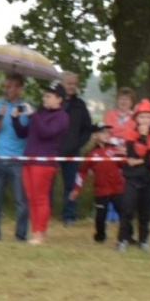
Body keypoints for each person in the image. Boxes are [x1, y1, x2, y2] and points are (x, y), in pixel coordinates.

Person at [13, 83, 69, 245]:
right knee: (31, 197)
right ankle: (35, 231)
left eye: (49, 96)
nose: (44, 98)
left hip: (44, 162)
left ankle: (40, 233)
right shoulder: (40, 114)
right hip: (29, 159)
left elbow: (46, 133)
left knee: (40, 198)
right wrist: (15, 119)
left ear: (59, 99)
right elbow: (23, 133)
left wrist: (32, 116)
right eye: (44, 95)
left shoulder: (61, 116)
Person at [0, 73, 30, 242]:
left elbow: (25, 133)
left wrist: (17, 118)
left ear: (19, 88)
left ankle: (20, 235)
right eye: (5, 86)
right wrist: (1, 117)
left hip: (17, 160)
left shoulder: (26, 108)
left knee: (21, 201)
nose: (7, 90)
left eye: (11, 87)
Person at [116, 99, 150, 252]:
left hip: (149, 179)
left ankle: (144, 240)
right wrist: (142, 139)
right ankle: (122, 239)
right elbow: (133, 153)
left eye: (148, 117)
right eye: (142, 117)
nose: (145, 120)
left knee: (145, 213)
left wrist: (141, 160)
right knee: (127, 210)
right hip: (132, 178)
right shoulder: (130, 135)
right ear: (136, 118)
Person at [70, 127, 123, 243]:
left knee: (124, 213)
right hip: (101, 190)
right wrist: (76, 189)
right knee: (100, 216)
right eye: (102, 133)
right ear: (95, 135)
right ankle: (100, 237)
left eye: (107, 133)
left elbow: (124, 165)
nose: (106, 135)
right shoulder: (91, 154)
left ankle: (126, 236)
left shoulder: (115, 150)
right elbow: (82, 172)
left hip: (117, 189)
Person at [58, 70, 94, 225]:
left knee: (71, 185)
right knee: (47, 183)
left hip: (72, 151)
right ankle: (44, 213)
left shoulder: (80, 105)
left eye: (74, 84)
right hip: (52, 150)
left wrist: (79, 143)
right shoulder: (52, 101)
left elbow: (88, 128)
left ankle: (69, 216)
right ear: (62, 84)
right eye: (68, 83)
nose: (71, 87)